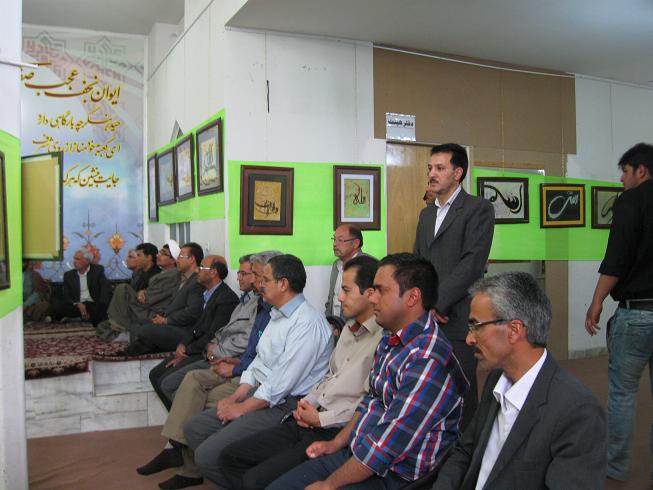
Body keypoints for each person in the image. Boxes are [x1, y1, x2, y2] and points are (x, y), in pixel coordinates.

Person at [269, 253, 466, 490]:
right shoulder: (392, 338)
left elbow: (387, 446)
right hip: (360, 452)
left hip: (393, 475)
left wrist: (328, 485)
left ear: (412, 297)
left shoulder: (427, 360)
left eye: (381, 290)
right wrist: (336, 443)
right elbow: (371, 402)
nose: (372, 298)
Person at [219, 255, 384, 489]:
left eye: (346, 290)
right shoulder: (348, 329)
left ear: (370, 294)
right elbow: (329, 377)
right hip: (308, 415)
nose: (339, 298)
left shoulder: (383, 341)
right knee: (230, 457)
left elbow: (368, 404)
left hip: (334, 428)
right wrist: (307, 405)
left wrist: (319, 418)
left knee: (255, 478)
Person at [433, 272, 606, 489]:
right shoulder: (496, 379)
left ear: (514, 330)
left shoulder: (578, 411)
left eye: (476, 326)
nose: (469, 339)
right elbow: (466, 451)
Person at [177, 254, 334, 490]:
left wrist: (241, 409)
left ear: (283, 284)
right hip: (261, 393)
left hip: (285, 404)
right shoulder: (276, 314)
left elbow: (280, 384)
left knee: (207, 456)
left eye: (266, 279)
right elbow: (258, 362)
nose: (260, 284)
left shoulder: (307, 323)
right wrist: (236, 396)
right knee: (194, 428)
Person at [136, 251, 280, 488]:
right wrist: (212, 350)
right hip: (229, 360)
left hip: (240, 368)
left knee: (190, 390)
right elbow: (222, 333)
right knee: (175, 382)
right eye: (249, 274)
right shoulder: (256, 303)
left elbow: (256, 354)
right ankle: (178, 447)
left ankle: (182, 454)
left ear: (280, 282)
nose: (249, 279)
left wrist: (230, 362)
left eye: (254, 275)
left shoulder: (274, 311)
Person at [585, 141, 653, 483]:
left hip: (636, 313)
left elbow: (617, 258)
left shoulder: (630, 201)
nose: (622, 180)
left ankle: (615, 467)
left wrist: (597, 301)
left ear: (641, 170)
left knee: (623, 394)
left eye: (625, 172)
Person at [414, 143, 495, 429]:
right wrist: (423, 305)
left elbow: (472, 264)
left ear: (457, 173)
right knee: (428, 389)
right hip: (427, 318)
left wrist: (438, 302)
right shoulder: (426, 215)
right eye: (430, 168)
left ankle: (467, 450)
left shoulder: (478, 209)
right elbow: (419, 263)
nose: (432, 174)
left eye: (440, 168)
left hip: (458, 316)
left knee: (461, 392)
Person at [148, 255, 239, 409]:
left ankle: (183, 417)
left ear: (213, 272)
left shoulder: (226, 298)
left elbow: (213, 334)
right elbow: (196, 326)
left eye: (201, 267)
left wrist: (187, 351)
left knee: (166, 382)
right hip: (193, 346)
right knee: (155, 374)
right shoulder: (206, 294)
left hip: (204, 351)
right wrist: (182, 345)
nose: (197, 270)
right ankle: (178, 416)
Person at [121, 242, 206, 354]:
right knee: (137, 323)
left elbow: (192, 312)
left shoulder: (196, 282)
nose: (177, 260)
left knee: (146, 329)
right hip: (169, 321)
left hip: (184, 330)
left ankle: (138, 350)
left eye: (180, 257)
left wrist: (166, 320)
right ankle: (139, 349)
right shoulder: (182, 278)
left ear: (191, 259)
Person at [100, 241, 182, 340]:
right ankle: (120, 327)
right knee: (102, 326)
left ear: (173, 260)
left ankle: (122, 329)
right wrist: (142, 292)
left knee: (123, 289)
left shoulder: (172, 275)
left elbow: (149, 299)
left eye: (164, 254)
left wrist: (143, 294)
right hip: (144, 307)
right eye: (160, 252)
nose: (158, 255)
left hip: (152, 313)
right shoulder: (162, 273)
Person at [51, 248, 111, 326]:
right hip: (76, 304)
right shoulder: (68, 275)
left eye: (77, 259)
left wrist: (102, 304)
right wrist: (78, 304)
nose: (74, 261)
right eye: (74, 259)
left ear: (87, 261)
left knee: (100, 308)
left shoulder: (98, 271)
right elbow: (66, 296)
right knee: (58, 306)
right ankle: (83, 317)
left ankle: (77, 318)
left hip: (92, 304)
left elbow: (104, 290)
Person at [325, 225, 368, 319]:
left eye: (340, 240)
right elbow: (331, 299)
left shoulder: (367, 265)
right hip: (334, 324)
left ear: (355, 243)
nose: (335, 244)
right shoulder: (336, 265)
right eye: (334, 239)